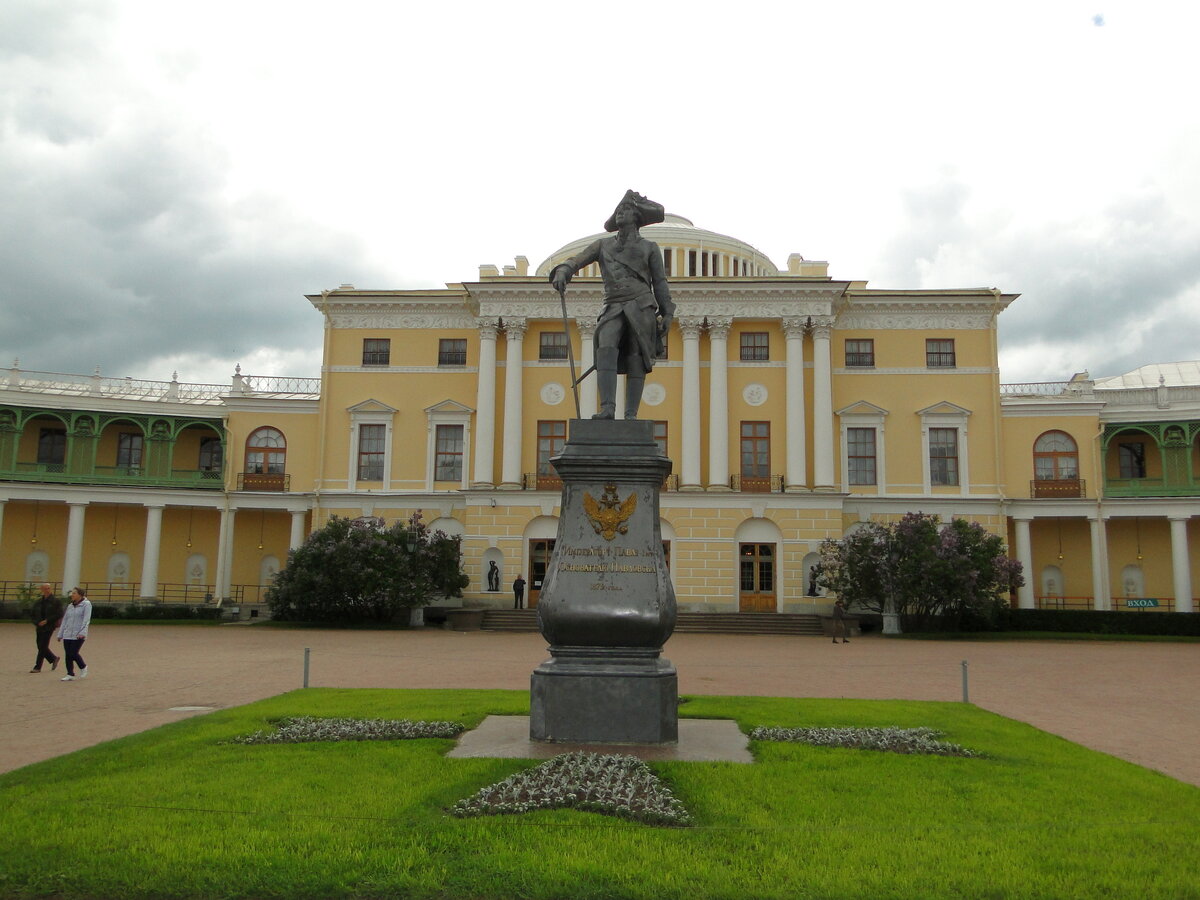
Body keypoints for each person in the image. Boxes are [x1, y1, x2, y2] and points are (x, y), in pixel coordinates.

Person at [549, 190, 675, 420]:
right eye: (618, 210)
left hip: (641, 304)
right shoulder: (602, 245)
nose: (619, 213)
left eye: (625, 210)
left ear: (636, 216)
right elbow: (578, 259)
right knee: (605, 347)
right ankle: (607, 408)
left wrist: (667, 312)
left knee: (636, 356)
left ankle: (630, 415)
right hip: (613, 304)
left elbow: (659, 282)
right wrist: (564, 269)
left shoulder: (649, 248)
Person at [57, 587, 92, 681]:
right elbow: (65, 620)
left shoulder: (86, 605)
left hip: (78, 634)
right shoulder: (70, 606)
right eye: (72, 593)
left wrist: (82, 632)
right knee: (68, 655)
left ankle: (83, 666)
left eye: (74, 593)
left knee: (73, 653)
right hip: (67, 633)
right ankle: (70, 674)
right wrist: (60, 634)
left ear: (80, 594)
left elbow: (86, 619)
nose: (72, 595)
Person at [29, 582, 62, 673]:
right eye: (45, 588)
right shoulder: (38, 602)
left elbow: (59, 614)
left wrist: (47, 621)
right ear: (42, 590)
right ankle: (53, 658)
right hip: (39, 627)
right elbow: (32, 614)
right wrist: (37, 622)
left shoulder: (55, 602)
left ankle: (37, 667)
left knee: (43, 646)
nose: (47, 590)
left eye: (48, 588)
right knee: (40, 646)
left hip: (49, 627)